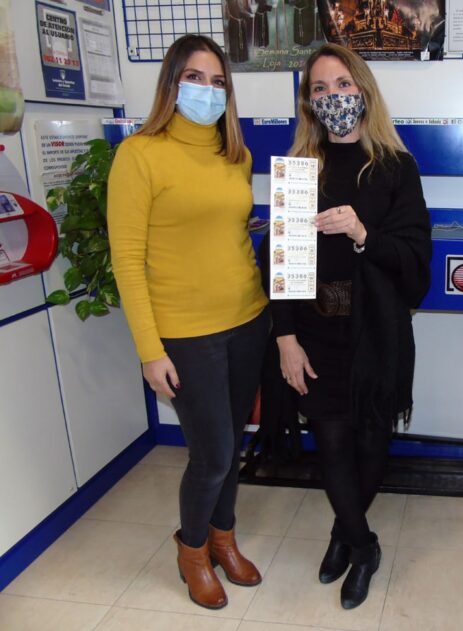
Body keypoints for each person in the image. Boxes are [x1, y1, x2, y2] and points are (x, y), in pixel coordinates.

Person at [108, 34, 269, 610]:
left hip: (247, 319)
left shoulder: (236, 155)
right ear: (171, 84)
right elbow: (127, 260)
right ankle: (193, 550)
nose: (208, 90)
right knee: (213, 453)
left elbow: (229, 233)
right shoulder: (139, 154)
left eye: (218, 81)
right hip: (184, 333)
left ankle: (224, 539)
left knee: (234, 444)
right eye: (195, 78)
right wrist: (149, 350)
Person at [269, 42, 431, 609]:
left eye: (341, 84)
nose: (332, 96)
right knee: (332, 444)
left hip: (377, 333)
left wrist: (363, 234)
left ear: (362, 90)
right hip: (315, 333)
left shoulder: (395, 167)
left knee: (370, 444)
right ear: (308, 103)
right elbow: (281, 269)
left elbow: (415, 265)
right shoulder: (298, 171)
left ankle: (344, 533)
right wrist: (285, 339)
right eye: (319, 88)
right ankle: (364, 547)